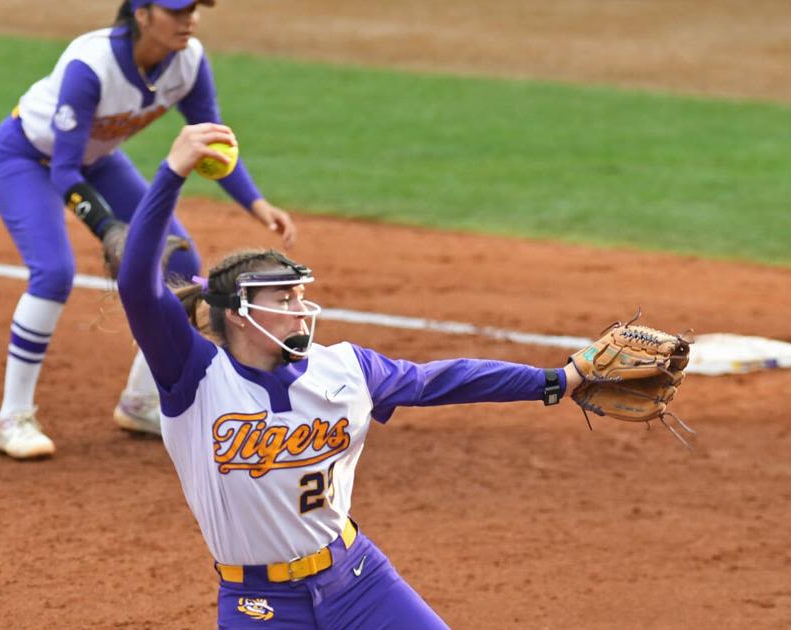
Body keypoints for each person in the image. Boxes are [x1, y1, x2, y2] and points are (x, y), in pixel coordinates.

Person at [117, 123, 587, 629]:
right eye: (285, 300)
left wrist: (557, 380)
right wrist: (172, 172)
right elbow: (136, 285)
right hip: (262, 604)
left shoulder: (343, 367)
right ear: (239, 313)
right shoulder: (193, 378)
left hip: (359, 578)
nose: (302, 310)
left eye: (301, 296)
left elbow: (443, 380)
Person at [0, 0, 296, 459]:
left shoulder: (188, 61)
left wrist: (256, 203)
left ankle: (140, 401)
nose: (188, 19)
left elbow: (211, 140)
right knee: (52, 273)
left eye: (195, 9)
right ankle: (12, 417)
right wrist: (109, 229)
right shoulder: (90, 66)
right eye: (176, 10)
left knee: (184, 261)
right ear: (142, 14)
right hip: (29, 158)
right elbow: (64, 171)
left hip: (99, 158)